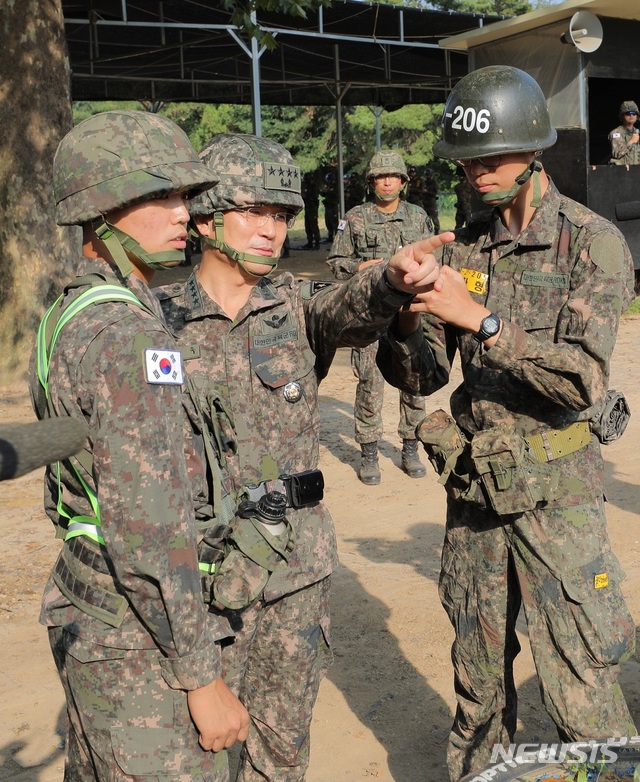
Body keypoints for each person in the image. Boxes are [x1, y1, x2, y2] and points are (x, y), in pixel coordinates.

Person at [156, 132, 448, 781]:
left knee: (282, 753)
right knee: (191, 757)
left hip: (295, 578)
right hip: (199, 586)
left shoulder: (291, 309)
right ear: (204, 216)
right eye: (254, 210)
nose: (272, 229)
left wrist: (393, 281)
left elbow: (351, 302)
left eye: (283, 215)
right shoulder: (154, 323)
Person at [378, 66, 637, 781]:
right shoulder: (464, 247)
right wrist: (403, 315)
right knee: (478, 682)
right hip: (478, 498)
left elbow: (582, 377)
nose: (478, 174)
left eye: (492, 158)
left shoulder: (593, 242)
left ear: (533, 151)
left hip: (559, 499)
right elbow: (425, 376)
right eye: (467, 161)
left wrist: (483, 322)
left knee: (582, 681)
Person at [28, 110, 250, 780]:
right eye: (161, 197)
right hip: (137, 640)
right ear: (102, 211)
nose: (185, 212)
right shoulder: (129, 336)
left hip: (91, 601)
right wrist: (200, 676)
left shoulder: (78, 307)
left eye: (184, 195)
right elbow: (151, 525)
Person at [326, 149, 433, 485]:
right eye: (380, 177)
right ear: (371, 182)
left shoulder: (419, 218)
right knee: (370, 383)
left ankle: (411, 447)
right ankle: (369, 453)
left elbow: (435, 257)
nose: (387, 182)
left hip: (410, 313)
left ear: (403, 181)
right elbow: (337, 261)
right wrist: (366, 268)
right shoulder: (355, 218)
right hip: (371, 312)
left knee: (413, 380)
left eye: (394, 176)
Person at [608, 100, 640, 165]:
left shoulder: (637, 132)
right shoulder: (616, 133)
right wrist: (631, 141)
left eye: (634, 113)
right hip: (621, 172)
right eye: (628, 113)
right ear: (622, 116)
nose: (631, 116)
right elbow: (617, 153)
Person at [301, 170, 320, 249]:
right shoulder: (307, 187)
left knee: (313, 226)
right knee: (307, 226)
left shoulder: (314, 187)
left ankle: (317, 242)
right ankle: (310, 241)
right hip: (308, 208)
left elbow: (314, 197)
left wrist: (307, 198)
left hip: (312, 209)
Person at [319, 169, 339, 242]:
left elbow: (334, 195)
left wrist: (328, 191)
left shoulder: (335, 187)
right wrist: (323, 191)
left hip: (333, 207)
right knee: (328, 223)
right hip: (328, 207)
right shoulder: (329, 187)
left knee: (334, 223)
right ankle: (330, 236)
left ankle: (337, 237)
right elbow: (323, 194)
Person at [422, 167, 441, 233]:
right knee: (425, 218)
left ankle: (437, 231)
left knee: (434, 218)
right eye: (426, 175)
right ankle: (427, 231)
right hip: (425, 202)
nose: (427, 176)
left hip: (431, 202)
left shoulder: (434, 183)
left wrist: (427, 191)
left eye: (428, 175)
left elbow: (435, 193)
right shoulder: (424, 182)